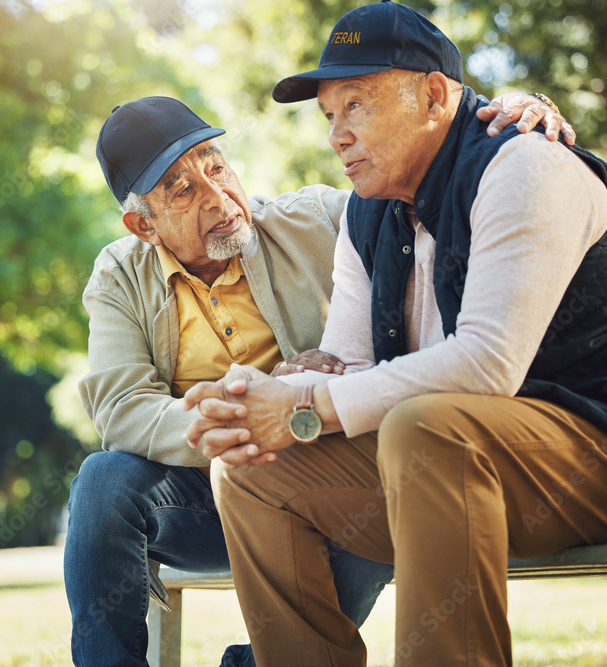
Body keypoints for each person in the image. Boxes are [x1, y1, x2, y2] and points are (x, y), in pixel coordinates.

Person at [184, 1, 607, 665]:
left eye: (357, 105)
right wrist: (263, 397)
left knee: (424, 426)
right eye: (328, 115)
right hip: (458, 463)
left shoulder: (523, 164)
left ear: (434, 95)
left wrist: (301, 406)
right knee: (248, 467)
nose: (336, 136)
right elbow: (348, 369)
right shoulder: (364, 216)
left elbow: (488, 363)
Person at [64, 89, 571, 666]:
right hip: (201, 493)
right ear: (143, 225)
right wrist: (246, 418)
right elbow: (122, 408)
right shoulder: (119, 276)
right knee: (103, 479)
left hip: (326, 477)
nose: (218, 197)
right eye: (183, 190)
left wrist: (504, 118)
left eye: (216, 167)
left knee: (387, 484)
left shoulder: (315, 217)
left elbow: (410, 190)